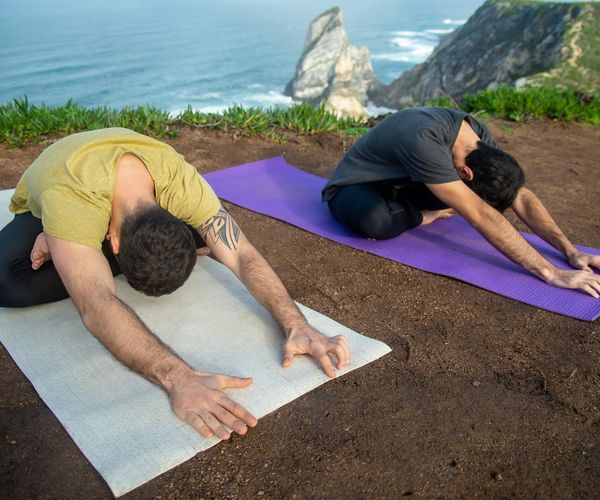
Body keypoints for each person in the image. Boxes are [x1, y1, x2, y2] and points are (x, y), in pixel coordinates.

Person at [0, 127, 350, 440]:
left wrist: (296, 323)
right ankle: (73, 244)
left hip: (117, 198)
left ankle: (73, 247)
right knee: (9, 282)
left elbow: (242, 253)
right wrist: (178, 378)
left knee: (220, 236)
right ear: (115, 245)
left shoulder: (181, 184)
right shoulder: (72, 196)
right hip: (68, 180)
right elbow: (95, 301)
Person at [323, 107, 600, 298]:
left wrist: (570, 251)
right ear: (465, 173)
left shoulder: (478, 140)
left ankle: (426, 208)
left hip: (407, 181)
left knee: (481, 194)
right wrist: (551, 273)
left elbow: (520, 194)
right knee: (376, 222)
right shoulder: (425, 141)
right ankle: (424, 216)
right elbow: (481, 215)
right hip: (358, 186)